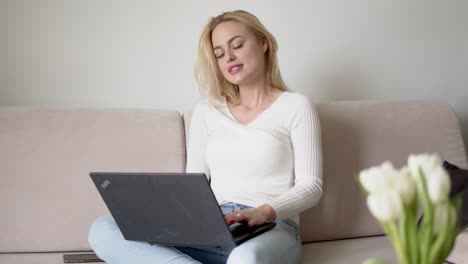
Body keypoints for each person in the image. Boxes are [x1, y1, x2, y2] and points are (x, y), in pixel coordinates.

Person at [88, 9, 323, 264]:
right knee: (102, 229)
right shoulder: (207, 110)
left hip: (272, 228)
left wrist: (263, 212)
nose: (229, 57)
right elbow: (194, 185)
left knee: (246, 258)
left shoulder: (296, 105)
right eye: (219, 53)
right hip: (212, 226)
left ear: (263, 43)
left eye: (237, 45)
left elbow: (311, 186)